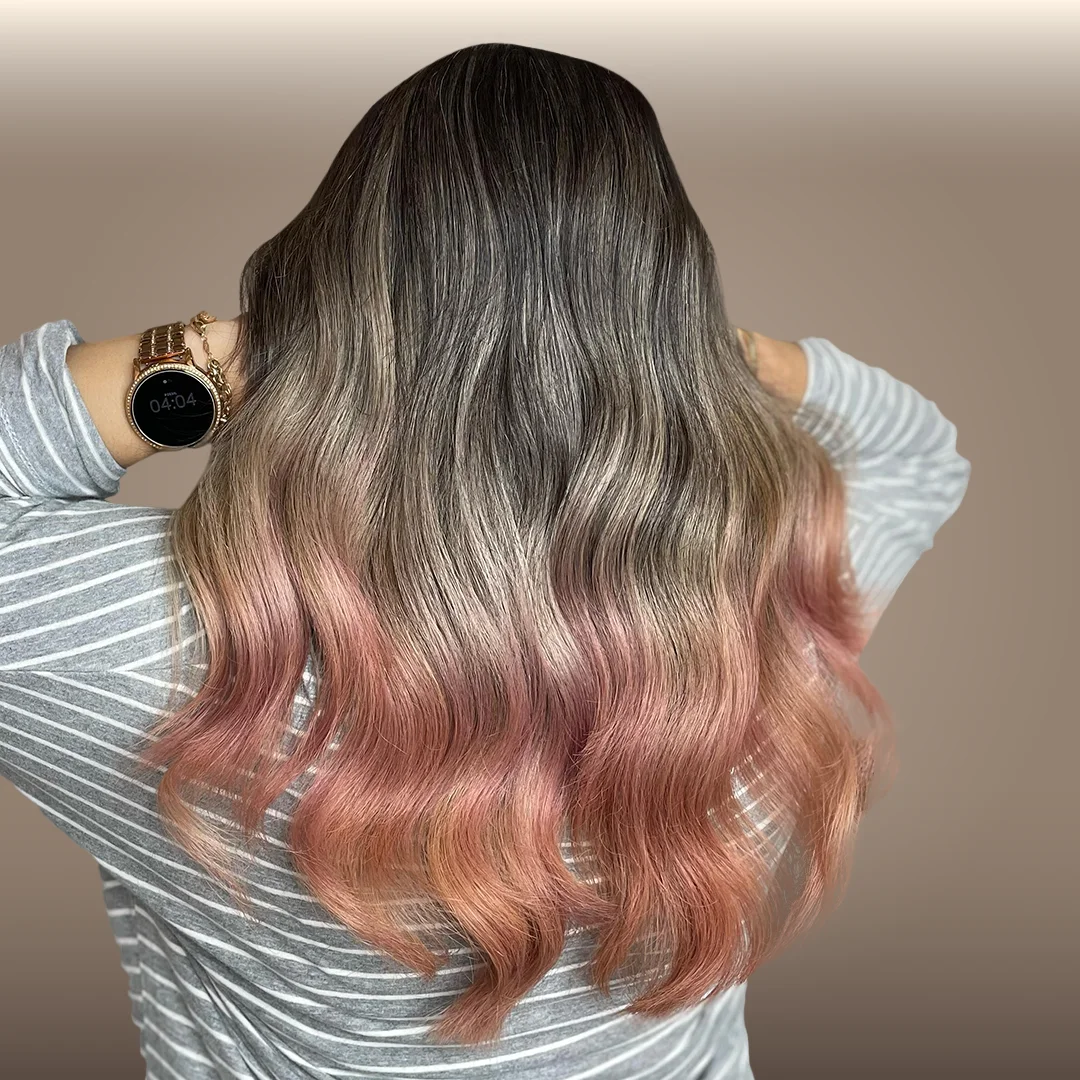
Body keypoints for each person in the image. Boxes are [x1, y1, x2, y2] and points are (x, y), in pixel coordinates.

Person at [0, 43, 970, 1080]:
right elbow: (918, 455)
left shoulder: (150, 645)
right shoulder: (767, 607)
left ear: (328, 288)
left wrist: (239, 356)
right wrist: (710, 361)